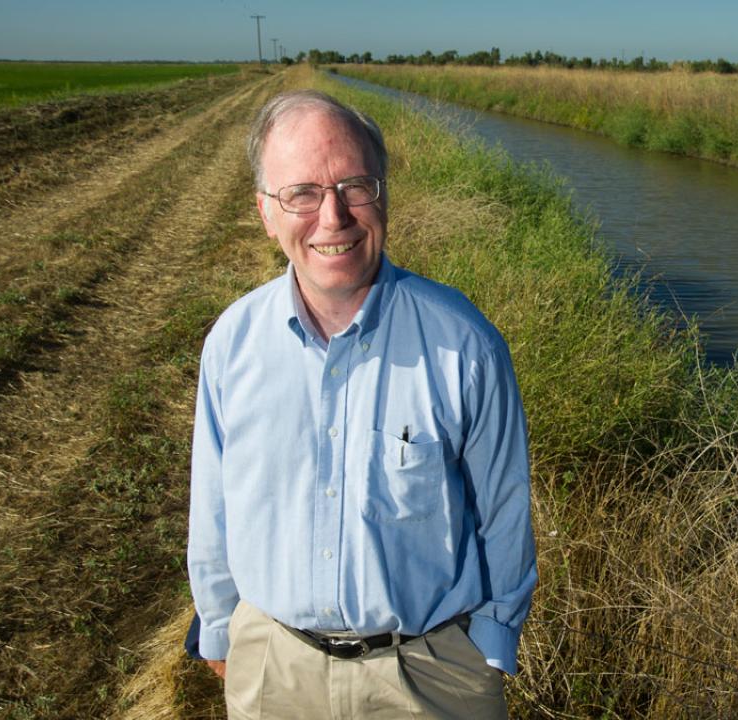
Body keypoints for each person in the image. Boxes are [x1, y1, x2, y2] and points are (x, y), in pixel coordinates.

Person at [187, 89, 536, 719]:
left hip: (428, 677)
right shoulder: (233, 344)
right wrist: (221, 629)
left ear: (384, 195)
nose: (332, 216)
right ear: (267, 213)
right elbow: (212, 507)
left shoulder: (465, 343)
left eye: (355, 185)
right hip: (275, 674)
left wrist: (490, 643)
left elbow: (504, 510)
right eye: (301, 193)